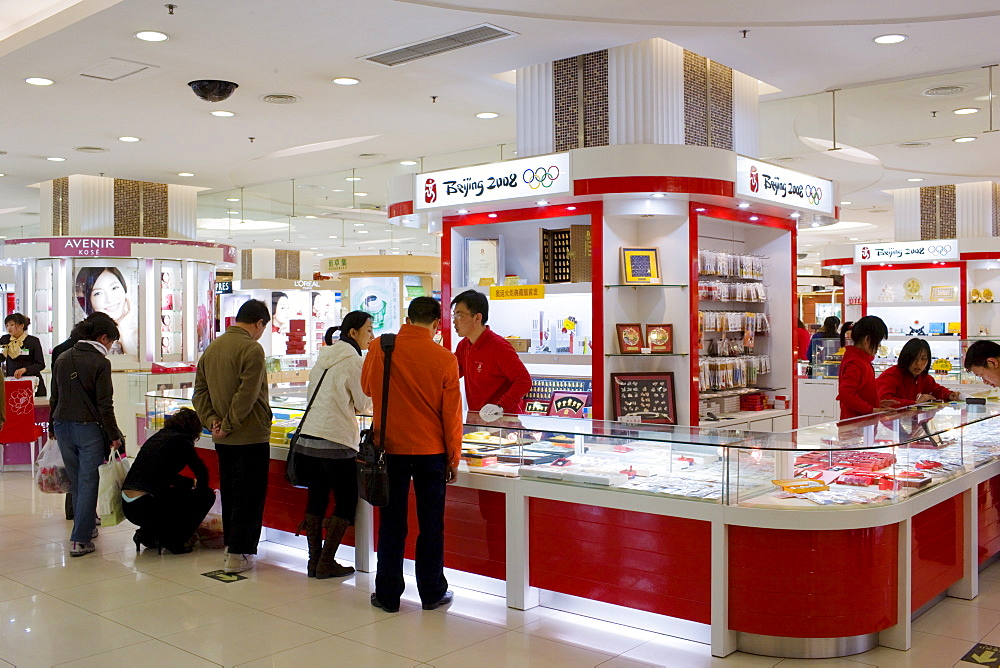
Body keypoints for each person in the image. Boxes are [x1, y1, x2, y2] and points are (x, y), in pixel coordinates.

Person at [362, 296, 462, 613]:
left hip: (388, 449)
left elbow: (366, 388)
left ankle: (388, 594)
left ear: (407, 317)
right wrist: (453, 457)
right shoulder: (445, 358)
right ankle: (432, 592)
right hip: (431, 452)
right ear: (436, 324)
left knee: (392, 523)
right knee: (431, 525)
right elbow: (452, 416)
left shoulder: (380, 347)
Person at [192, 299, 272, 574]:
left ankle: (231, 548)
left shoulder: (212, 348)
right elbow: (247, 394)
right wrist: (228, 423)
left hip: (222, 438)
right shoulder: (252, 348)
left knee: (232, 493)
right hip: (249, 435)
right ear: (259, 323)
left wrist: (212, 421)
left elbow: (199, 392)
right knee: (250, 495)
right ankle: (241, 553)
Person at [294, 311, 374, 578]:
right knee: (346, 500)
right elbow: (363, 404)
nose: (371, 336)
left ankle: (313, 560)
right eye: (368, 330)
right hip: (337, 441)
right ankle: (327, 561)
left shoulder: (323, 358)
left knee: (317, 496)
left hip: (309, 438)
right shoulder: (354, 361)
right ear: (353, 333)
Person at [49, 315, 123, 557]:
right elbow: (105, 405)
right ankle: (79, 540)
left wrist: (52, 427)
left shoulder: (62, 357)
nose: (111, 347)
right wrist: (114, 435)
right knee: (89, 481)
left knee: (77, 480)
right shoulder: (100, 363)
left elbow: (55, 397)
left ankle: (87, 527)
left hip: (62, 425)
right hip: (87, 428)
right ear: (103, 338)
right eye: (111, 342)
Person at [122, 407, 215, 554]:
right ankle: (175, 541)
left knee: (173, 495)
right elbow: (201, 471)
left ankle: (146, 535)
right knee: (206, 496)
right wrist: (200, 488)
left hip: (128, 505)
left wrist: (190, 483)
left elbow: (160, 475)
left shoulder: (159, 437)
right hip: (147, 505)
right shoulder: (182, 440)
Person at [451, 289, 531, 420]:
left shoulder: (499, 347)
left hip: (503, 422)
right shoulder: (463, 346)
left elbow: (523, 381)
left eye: (460, 315)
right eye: (454, 315)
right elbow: (452, 373)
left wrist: (500, 406)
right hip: (477, 420)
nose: (455, 321)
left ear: (477, 317)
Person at [878, 338, 960, 407]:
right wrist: (915, 404)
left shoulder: (923, 377)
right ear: (906, 358)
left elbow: (936, 390)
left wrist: (949, 395)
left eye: (923, 359)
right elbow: (884, 400)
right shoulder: (892, 375)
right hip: (888, 422)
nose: (918, 363)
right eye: (914, 358)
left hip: (907, 421)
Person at [837, 315, 891, 419]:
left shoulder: (859, 360)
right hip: (856, 428)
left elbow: (860, 393)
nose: (879, 346)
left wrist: (877, 403)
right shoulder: (856, 363)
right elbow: (846, 394)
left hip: (861, 426)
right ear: (867, 339)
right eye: (878, 342)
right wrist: (871, 410)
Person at [75, 267, 138, 355]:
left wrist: (123, 328)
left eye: (114, 288)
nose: (110, 299)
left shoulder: (140, 335)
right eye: (98, 293)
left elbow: (137, 366)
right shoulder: (87, 338)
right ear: (88, 302)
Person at [1, 313, 46, 396]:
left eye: (12, 325)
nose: (9, 328)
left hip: (31, 382)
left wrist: (25, 369)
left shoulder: (32, 341)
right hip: (12, 382)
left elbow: (41, 364)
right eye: (7, 325)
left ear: (22, 325)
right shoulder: (5, 339)